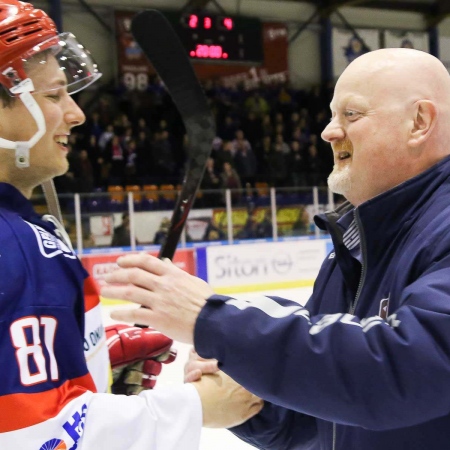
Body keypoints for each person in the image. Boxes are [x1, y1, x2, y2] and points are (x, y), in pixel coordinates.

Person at [102, 47, 450, 450]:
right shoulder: (354, 246)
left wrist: (214, 321)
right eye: (333, 115)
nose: (329, 131)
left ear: (419, 122)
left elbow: (404, 371)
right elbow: (318, 422)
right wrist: (247, 389)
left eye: (351, 115)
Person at [0, 2, 263, 449]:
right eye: (53, 95)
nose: (76, 113)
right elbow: (34, 438)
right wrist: (196, 406)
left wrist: (87, 361)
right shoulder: (16, 248)